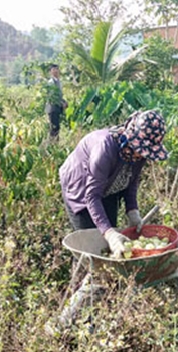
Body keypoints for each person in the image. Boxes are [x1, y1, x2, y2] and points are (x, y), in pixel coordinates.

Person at [59, 109, 168, 258]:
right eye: (142, 150)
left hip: (109, 186)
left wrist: (132, 211)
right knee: (90, 249)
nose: (143, 155)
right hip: (81, 189)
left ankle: (109, 277)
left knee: (111, 242)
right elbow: (91, 197)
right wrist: (109, 234)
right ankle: (83, 278)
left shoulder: (139, 153)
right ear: (132, 139)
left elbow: (131, 180)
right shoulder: (105, 150)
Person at [45, 64, 67, 140]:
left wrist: (64, 102)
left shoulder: (59, 82)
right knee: (54, 127)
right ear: (51, 72)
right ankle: (52, 145)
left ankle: (55, 144)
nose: (56, 71)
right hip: (52, 107)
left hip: (57, 108)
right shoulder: (51, 82)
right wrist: (61, 103)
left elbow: (59, 95)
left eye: (57, 69)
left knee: (57, 127)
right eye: (54, 70)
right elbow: (52, 96)